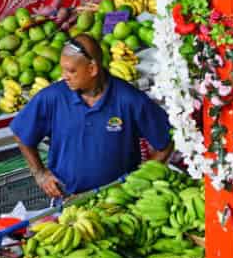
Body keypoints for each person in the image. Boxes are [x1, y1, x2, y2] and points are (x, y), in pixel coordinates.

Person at [11, 33, 172, 199]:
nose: (64, 76)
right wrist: (40, 173)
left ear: (92, 69)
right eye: (63, 69)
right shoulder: (52, 97)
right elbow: (21, 133)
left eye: (71, 71)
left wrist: (142, 178)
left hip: (120, 201)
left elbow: (165, 142)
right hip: (68, 200)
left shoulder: (129, 99)